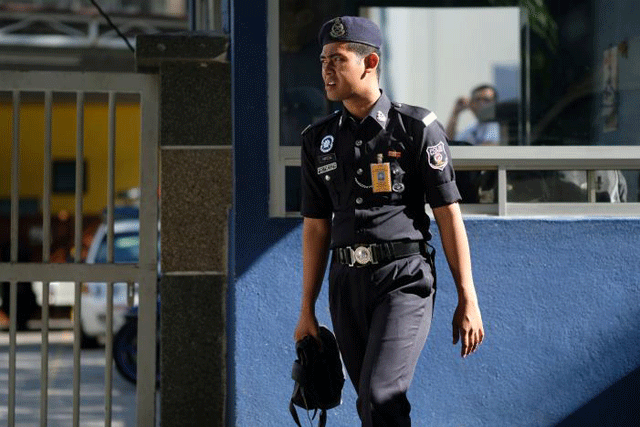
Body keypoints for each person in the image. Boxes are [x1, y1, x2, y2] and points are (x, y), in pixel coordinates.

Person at [293, 16, 485, 427]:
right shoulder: (317, 140)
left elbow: (449, 215)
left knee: (382, 394)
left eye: (338, 59)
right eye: (323, 59)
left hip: (403, 279)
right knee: (369, 402)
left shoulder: (417, 129)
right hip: (346, 282)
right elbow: (315, 227)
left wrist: (467, 296)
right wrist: (306, 309)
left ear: (370, 62)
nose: (326, 69)